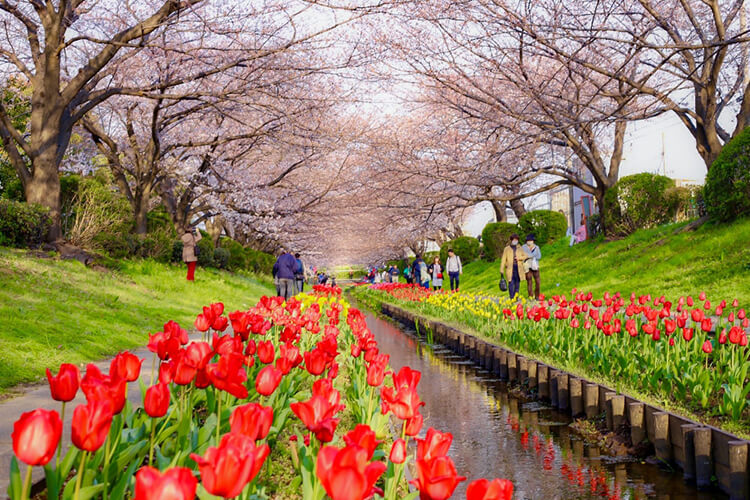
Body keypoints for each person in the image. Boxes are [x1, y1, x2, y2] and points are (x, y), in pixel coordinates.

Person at [500, 233, 529, 300]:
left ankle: (516, 296)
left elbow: (525, 256)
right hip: (510, 268)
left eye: (516, 240)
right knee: (511, 282)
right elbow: (503, 259)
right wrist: (501, 269)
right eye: (514, 239)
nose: (515, 241)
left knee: (517, 283)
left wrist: (519, 258)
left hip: (518, 268)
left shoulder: (520, 248)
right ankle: (511, 297)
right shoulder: (506, 249)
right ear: (511, 240)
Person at [522, 234, 541, 300]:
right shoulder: (523, 247)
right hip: (527, 266)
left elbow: (539, 256)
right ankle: (530, 296)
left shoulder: (536, 247)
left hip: (535, 266)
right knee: (529, 281)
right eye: (528, 240)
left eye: (531, 240)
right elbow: (523, 256)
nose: (529, 242)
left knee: (538, 282)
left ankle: (537, 296)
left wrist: (530, 256)